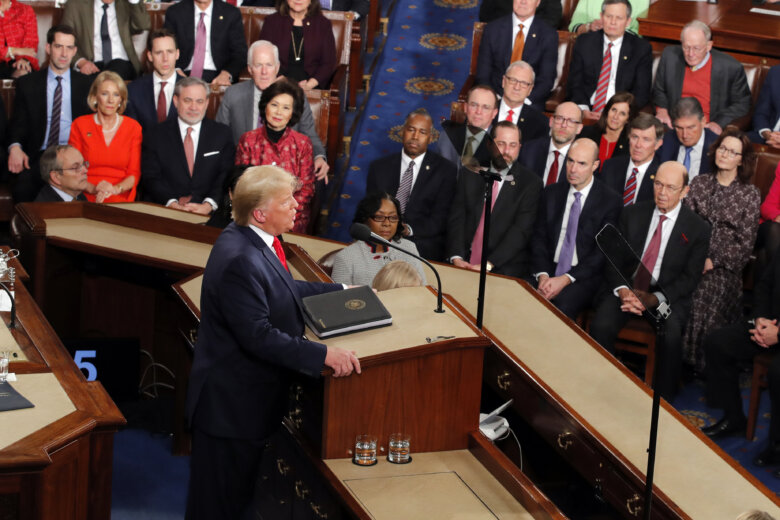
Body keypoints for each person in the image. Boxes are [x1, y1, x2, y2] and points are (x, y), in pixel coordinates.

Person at [184, 164, 360, 520]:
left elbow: (282, 290)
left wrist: (341, 292)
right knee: (219, 505)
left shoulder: (254, 239)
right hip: (230, 410)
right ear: (261, 212)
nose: (297, 205)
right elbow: (258, 336)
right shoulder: (240, 259)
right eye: (287, 200)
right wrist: (324, 353)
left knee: (236, 498)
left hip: (244, 404)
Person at [589, 161, 710, 401]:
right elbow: (614, 260)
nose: (662, 193)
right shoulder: (633, 213)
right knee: (600, 325)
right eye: (658, 184)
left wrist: (653, 299)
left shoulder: (698, 228)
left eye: (670, 187)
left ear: (685, 191)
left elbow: (690, 278)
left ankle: (662, 402)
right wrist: (624, 291)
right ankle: (603, 389)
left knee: (671, 333)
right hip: (628, 287)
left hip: (665, 296)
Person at [682, 128, 760, 372]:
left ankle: (699, 365)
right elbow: (684, 228)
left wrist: (713, 261)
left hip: (725, 268)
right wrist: (697, 258)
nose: (724, 154)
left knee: (707, 294)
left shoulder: (749, 194)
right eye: (722, 148)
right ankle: (674, 359)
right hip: (691, 259)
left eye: (732, 151)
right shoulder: (699, 183)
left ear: (741, 159)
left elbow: (745, 244)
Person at [700, 251, 780, 461]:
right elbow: (765, 285)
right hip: (770, 325)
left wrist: (778, 334)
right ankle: (733, 418)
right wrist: (760, 320)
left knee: (777, 373)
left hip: (778, 332)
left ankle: (777, 445)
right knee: (718, 343)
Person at [530, 138, 622, 319]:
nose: (573, 169)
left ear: (595, 165)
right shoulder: (551, 193)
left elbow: (601, 254)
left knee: (560, 308)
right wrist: (543, 275)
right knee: (522, 297)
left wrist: (564, 279)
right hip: (548, 268)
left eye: (581, 164)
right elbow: (538, 237)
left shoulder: (610, 201)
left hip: (581, 276)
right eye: (570, 161)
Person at [216, 40, 329, 181]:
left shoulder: (296, 96)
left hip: (283, 175)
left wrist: (319, 157)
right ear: (250, 69)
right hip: (243, 175)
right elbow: (219, 139)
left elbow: (309, 135)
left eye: (269, 65)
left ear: (277, 67)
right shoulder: (233, 95)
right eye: (258, 65)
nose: (264, 72)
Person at [447, 121, 542, 278]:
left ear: (519, 147)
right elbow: (457, 218)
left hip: (501, 267)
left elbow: (520, 232)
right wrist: (456, 257)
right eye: (501, 144)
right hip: (462, 262)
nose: (506, 151)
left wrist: (489, 264)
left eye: (512, 145)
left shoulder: (530, 183)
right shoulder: (470, 172)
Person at [8, 25, 92, 203]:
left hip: (74, 154)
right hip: (42, 155)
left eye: (69, 48)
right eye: (58, 46)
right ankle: (31, 231)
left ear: (75, 51)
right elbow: (19, 123)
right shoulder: (28, 83)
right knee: (23, 187)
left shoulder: (86, 85)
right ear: (48, 48)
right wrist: (15, 147)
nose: (64, 54)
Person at [366, 108, 457, 262]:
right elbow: (368, 210)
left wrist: (408, 230)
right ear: (403, 131)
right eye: (411, 130)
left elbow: (441, 218)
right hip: (381, 240)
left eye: (422, 132)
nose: (415, 137)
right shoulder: (379, 167)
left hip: (421, 244)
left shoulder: (445, 171)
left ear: (430, 137)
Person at [141, 77, 235, 215]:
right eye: (187, 100)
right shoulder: (155, 134)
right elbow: (151, 176)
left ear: (207, 103)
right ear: (175, 101)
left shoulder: (222, 134)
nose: (193, 107)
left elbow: (225, 174)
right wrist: (171, 203)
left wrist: (208, 204)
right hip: (164, 210)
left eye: (199, 101)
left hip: (211, 212)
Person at [235, 79, 314, 233]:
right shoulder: (248, 140)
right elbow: (241, 185)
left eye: (286, 107)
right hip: (254, 217)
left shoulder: (303, 143)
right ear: (265, 107)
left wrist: (281, 215)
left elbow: (306, 190)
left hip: (291, 219)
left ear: (293, 112)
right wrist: (262, 215)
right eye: (274, 105)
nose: (279, 112)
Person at [653, 20, 751, 134]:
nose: (690, 54)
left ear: (709, 45)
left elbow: (742, 103)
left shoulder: (731, 67)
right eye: (686, 47)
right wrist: (662, 110)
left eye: (696, 48)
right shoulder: (670, 56)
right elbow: (659, 89)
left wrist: (718, 123)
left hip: (706, 129)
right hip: (673, 125)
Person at [567, 0, 652, 115]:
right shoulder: (584, 42)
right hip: (586, 108)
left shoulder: (641, 49)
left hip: (620, 112)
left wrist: (618, 113)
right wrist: (583, 109)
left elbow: (641, 93)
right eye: (609, 16)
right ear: (601, 17)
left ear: (628, 21)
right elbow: (575, 83)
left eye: (619, 18)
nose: (613, 22)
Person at [69, 70, 142, 202]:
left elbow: (133, 174)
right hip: (86, 193)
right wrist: (95, 189)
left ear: (121, 99)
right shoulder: (80, 125)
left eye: (115, 94)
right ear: (95, 97)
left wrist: (114, 189)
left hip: (120, 194)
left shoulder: (133, 127)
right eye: (104, 94)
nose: (110, 100)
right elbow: (74, 170)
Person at [330, 193, 426, 286]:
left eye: (393, 217)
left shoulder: (409, 248)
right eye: (379, 217)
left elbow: (423, 290)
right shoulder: (346, 257)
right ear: (365, 220)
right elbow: (340, 300)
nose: (387, 223)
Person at [476, 0, 558, 107]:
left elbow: (546, 79)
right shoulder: (492, 30)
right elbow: (483, 74)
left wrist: (524, 102)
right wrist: (495, 99)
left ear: (538, 2)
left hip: (529, 101)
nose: (523, 2)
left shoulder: (549, 35)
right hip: (495, 99)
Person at [163, 0, 246, 86]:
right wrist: (176, 71)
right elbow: (166, 47)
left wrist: (226, 74)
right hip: (183, 72)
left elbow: (240, 53)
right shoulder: (175, 12)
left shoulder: (231, 13)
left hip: (218, 74)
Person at [258, 0, 337, 91]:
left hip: (312, 87)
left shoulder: (323, 24)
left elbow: (328, 63)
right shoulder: (271, 21)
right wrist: (279, 79)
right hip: (278, 84)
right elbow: (263, 57)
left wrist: (310, 84)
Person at [62, 0, 151, 80]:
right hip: (91, 65)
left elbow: (143, 25)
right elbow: (63, 40)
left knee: (116, 68)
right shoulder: (75, 5)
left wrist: (134, 2)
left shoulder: (126, 4)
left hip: (122, 65)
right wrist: (81, 62)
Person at [599, 112, 664, 206]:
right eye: (635, 137)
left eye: (646, 139)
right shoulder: (610, 166)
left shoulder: (662, 175)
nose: (638, 145)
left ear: (658, 144)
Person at [125, 29, 183, 132]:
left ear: (177, 54)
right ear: (150, 56)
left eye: (169, 52)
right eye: (159, 53)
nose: (165, 58)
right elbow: (130, 133)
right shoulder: (133, 90)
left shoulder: (191, 89)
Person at [519, 101, 583, 184]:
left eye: (571, 121)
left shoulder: (583, 160)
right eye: (559, 118)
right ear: (551, 122)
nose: (564, 125)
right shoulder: (528, 150)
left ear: (579, 128)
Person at [436, 84, 498, 169]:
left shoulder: (501, 144)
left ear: (494, 113)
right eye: (474, 105)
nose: (478, 112)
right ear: (465, 107)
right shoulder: (446, 137)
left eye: (485, 107)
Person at [657, 97, 717, 181]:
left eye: (691, 127)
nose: (685, 135)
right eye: (679, 128)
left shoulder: (716, 146)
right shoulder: (668, 139)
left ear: (703, 122)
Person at [493, 61, 548, 143]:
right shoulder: (485, 110)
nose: (517, 87)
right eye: (513, 80)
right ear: (503, 81)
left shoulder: (540, 123)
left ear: (530, 89)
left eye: (524, 83)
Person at [578, 92, 636, 166]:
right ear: (607, 111)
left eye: (622, 114)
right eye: (614, 110)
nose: (615, 116)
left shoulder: (631, 145)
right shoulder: (586, 132)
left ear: (628, 119)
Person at [0, 0, 39, 78]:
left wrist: (24, 60)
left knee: (23, 72)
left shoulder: (25, 10)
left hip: (18, 61)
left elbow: (31, 43)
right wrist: (16, 51)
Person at [568, 0, 648, 36]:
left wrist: (611, 29)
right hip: (591, 42)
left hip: (623, 48)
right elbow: (575, 26)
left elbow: (640, 31)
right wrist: (589, 26)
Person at [749, 64, 780, 148]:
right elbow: (761, 112)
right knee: (733, 142)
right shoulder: (776, 72)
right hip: (768, 135)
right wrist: (767, 133)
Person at [479, 0, 562, 29]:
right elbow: (485, 15)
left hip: (536, 36)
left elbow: (553, 17)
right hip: (501, 34)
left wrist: (526, 30)